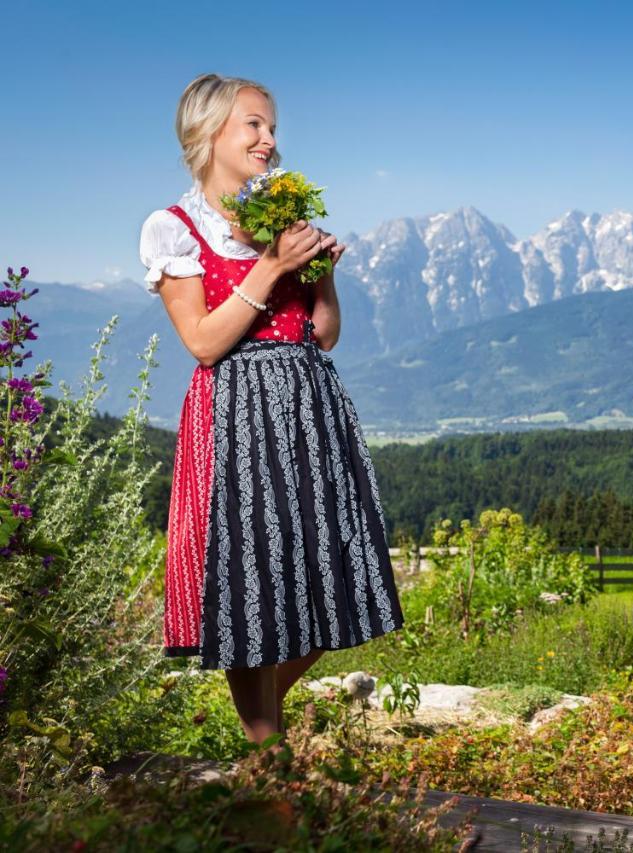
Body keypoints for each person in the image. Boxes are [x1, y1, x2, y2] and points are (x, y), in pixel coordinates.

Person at [138, 73, 403, 744]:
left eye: (272, 127)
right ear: (209, 134)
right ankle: (269, 762)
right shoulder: (173, 228)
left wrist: (321, 275)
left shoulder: (279, 221)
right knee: (250, 592)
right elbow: (202, 341)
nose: (270, 139)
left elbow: (324, 332)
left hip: (308, 411)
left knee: (329, 584)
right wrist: (269, 267)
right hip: (235, 416)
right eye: (254, 125)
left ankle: (264, 739)